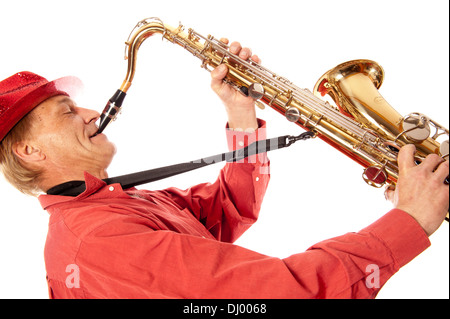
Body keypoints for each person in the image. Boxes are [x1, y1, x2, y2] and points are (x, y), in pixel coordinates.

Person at [0, 40, 448, 299]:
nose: (92, 111)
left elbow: (225, 210)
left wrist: (241, 113)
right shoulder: (98, 240)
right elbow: (280, 293)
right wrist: (409, 220)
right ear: (30, 151)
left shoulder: (111, 206)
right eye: (65, 112)